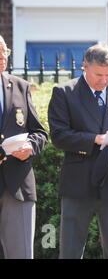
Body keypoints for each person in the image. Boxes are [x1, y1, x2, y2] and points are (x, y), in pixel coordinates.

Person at [48, 43, 108, 259]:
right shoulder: (65, 92)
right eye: (98, 75)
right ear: (84, 67)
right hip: (78, 182)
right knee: (71, 251)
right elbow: (58, 135)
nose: (104, 81)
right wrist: (95, 139)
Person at [0, 35, 48, 259]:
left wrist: (31, 146)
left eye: (4, 52)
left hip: (17, 185)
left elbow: (40, 132)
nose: (2, 57)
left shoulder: (21, 86)